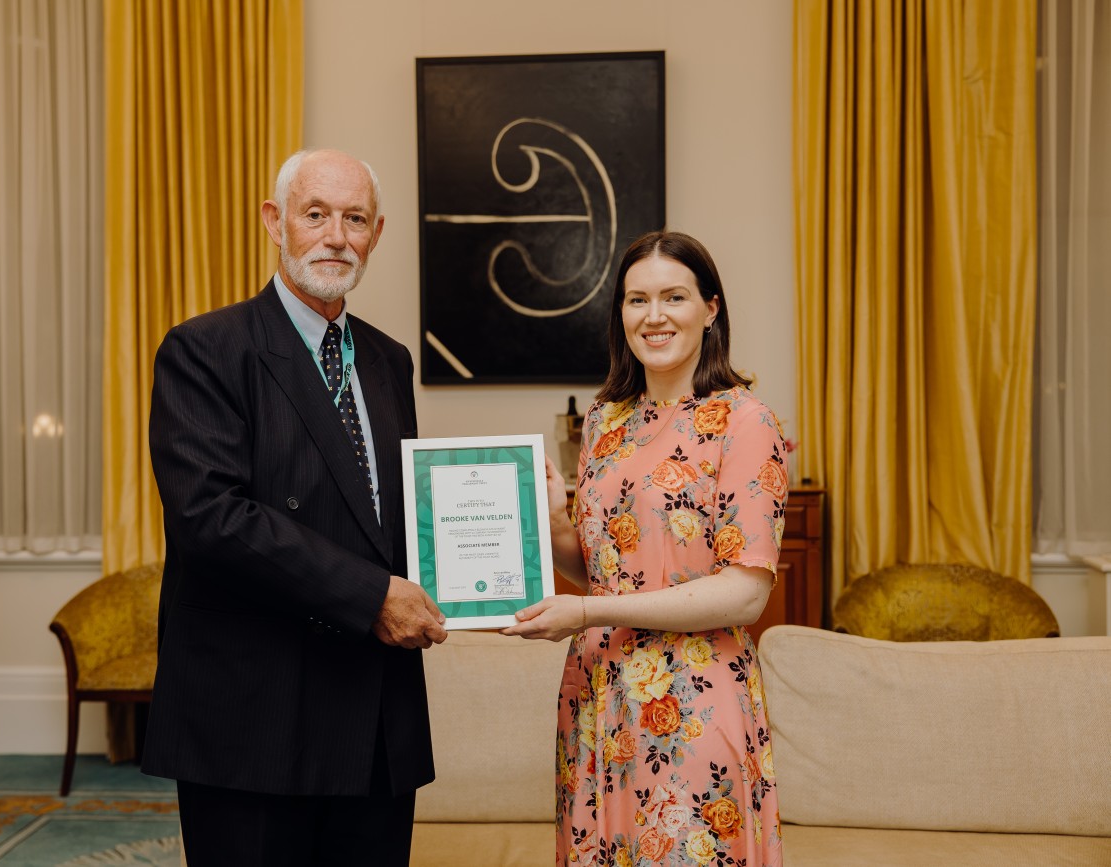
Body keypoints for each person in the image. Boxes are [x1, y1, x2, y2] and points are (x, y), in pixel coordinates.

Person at [142, 148, 448, 866]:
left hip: (373, 715)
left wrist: (514, 534)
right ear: (276, 222)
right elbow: (212, 519)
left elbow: (387, 509)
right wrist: (374, 594)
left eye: (355, 218)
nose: (336, 236)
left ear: (377, 233)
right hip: (255, 715)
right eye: (316, 215)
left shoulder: (387, 359)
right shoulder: (205, 350)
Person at [503, 231, 787, 866]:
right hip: (599, 697)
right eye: (637, 300)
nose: (653, 316)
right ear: (621, 314)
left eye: (673, 297)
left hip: (691, 701)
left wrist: (585, 615)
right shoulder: (606, 421)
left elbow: (745, 593)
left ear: (710, 308)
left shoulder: (745, 422)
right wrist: (554, 525)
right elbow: (605, 572)